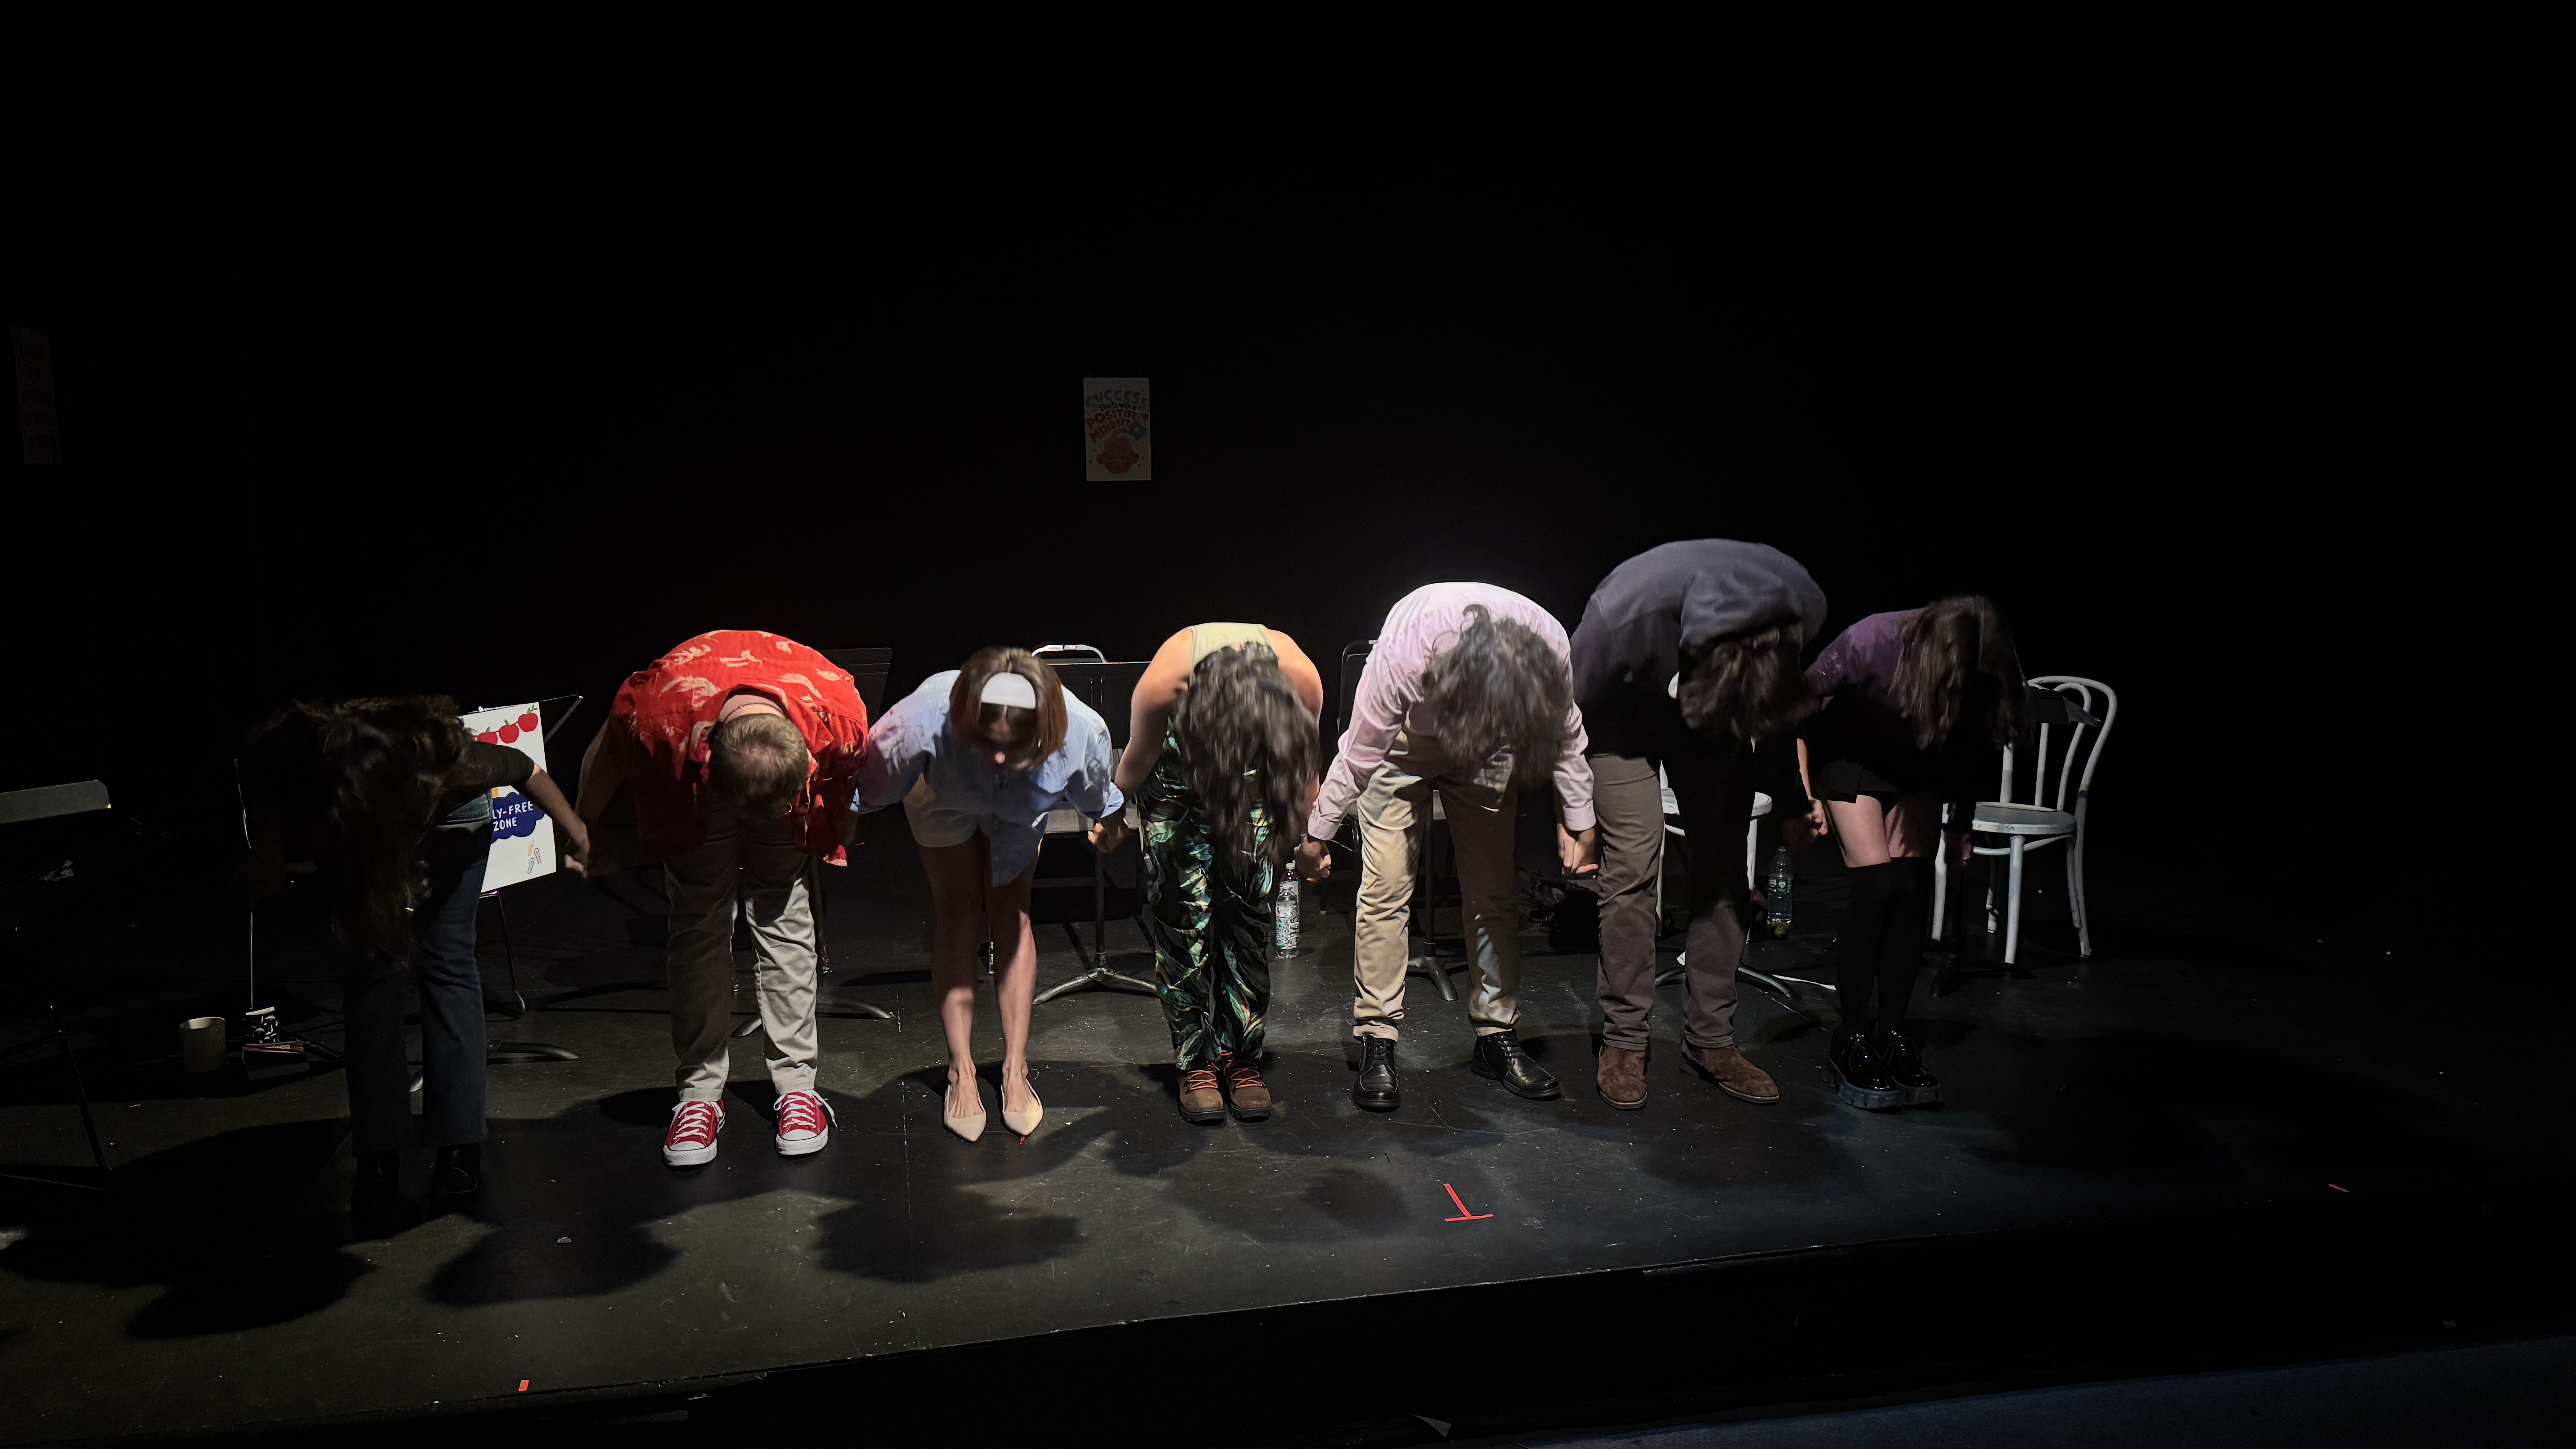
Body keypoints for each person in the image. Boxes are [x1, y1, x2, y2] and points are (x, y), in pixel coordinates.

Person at [241, 695, 591, 1225]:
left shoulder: (451, 763)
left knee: (448, 963)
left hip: (452, 827)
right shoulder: (307, 761)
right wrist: (267, 846)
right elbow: (261, 779)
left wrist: (577, 830)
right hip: (357, 831)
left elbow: (524, 768)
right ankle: (378, 1155)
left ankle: (458, 1144)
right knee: (372, 972)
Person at [1295, 584, 1599, 1111]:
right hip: (1401, 746)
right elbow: (1361, 755)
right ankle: (1379, 1040)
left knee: (1494, 893)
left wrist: (1580, 818)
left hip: (1490, 744)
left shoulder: (1547, 645)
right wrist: (1317, 834)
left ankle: (1496, 1037)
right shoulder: (1407, 653)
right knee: (1385, 889)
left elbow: (1566, 733)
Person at [573, 630, 870, 1167]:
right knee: (698, 924)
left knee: (785, 920)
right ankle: (699, 1094)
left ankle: (797, 1088)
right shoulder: (656, 714)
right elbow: (608, 753)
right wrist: (585, 827)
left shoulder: (836, 715)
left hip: (784, 775)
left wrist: (841, 821)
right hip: (695, 785)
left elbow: (851, 779)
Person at [1571, 541, 1827, 1111]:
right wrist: (1572, 814)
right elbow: (1572, 713)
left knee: (1722, 865)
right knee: (1635, 859)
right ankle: (1624, 1043)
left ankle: (1711, 1041)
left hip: (1714, 711)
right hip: (1620, 714)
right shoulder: (1622, 617)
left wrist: (1791, 799)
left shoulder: (1798, 606)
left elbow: (1776, 704)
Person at [856, 648, 1127, 1143]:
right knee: (957, 909)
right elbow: (873, 782)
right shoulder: (922, 720)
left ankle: (1015, 1069)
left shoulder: (1077, 729)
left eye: (1013, 750)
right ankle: (961, 1071)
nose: (999, 760)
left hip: (1024, 804)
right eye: (987, 746)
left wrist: (1111, 824)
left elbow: (1098, 791)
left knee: (1012, 911)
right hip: (944, 797)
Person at [1798, 597, 2025, 1109]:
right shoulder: (1870, 642)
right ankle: (1851, 1036)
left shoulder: (1971, 672)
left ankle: (1892, 1034)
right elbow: (1798, 708)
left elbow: (1972, 743)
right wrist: (1804, 795)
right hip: (1850, 755)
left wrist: (1961, 822)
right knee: (1876, 887)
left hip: (1917, 759)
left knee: (1912, 888)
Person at [1114, 624, 1325, 1124]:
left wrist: (1309, 840)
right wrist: (1109, 815)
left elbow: (1304, 771)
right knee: (1182, 923)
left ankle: (1241, 1059)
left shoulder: (1300, 679)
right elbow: (1136, 761)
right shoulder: (1165, 680)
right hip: (1176, 781)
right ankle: (1195, 1064)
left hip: (1257, 783)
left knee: (1250, 921)